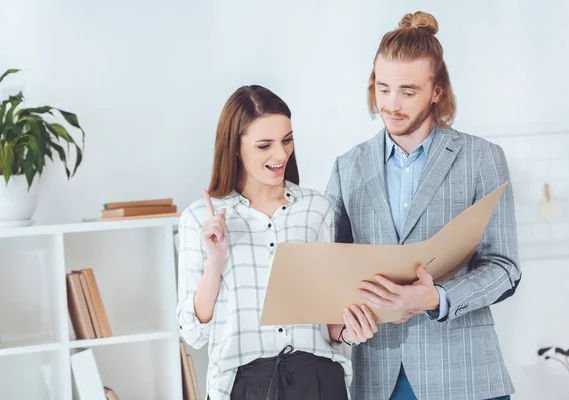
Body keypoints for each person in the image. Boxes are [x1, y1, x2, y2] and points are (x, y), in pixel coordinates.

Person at [324, 11, 522, 400]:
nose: (392, 104)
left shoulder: (482, 158)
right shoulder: (347, 167)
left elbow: (505, 267)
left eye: (408, 91)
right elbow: (329, 267)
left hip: (464, 372)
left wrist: (436, 298)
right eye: (383, 89)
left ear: (437, 91)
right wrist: (341, 323)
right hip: (378, 375)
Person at [176, 85, 356, 400]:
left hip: (318, 378)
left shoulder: (317, 210)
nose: (281, 154)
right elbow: (193, 332)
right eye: (264, 145)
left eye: (287, 140)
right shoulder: (198, 220)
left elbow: (330, 323)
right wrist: (214, 262)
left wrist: (354, 329)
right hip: (243, 385)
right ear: (234, 147)